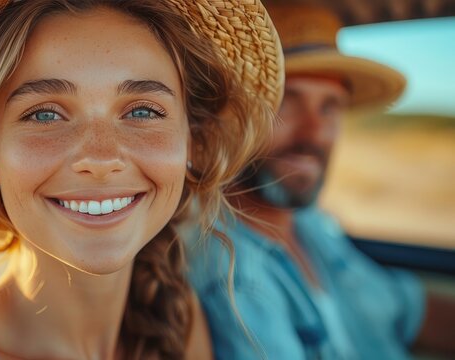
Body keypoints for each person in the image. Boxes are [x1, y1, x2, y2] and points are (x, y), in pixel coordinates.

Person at [0, 0, 284, 359]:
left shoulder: (186, 332)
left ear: (191, 144)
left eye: (142, 110)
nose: (100, 158)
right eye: (44, 114)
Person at [185, 3, 455, 359]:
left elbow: (406, 308)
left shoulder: (312, 228)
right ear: (231, 118)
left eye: (329, 107)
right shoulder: (228, 271)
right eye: (286, 102)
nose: (313, 134)